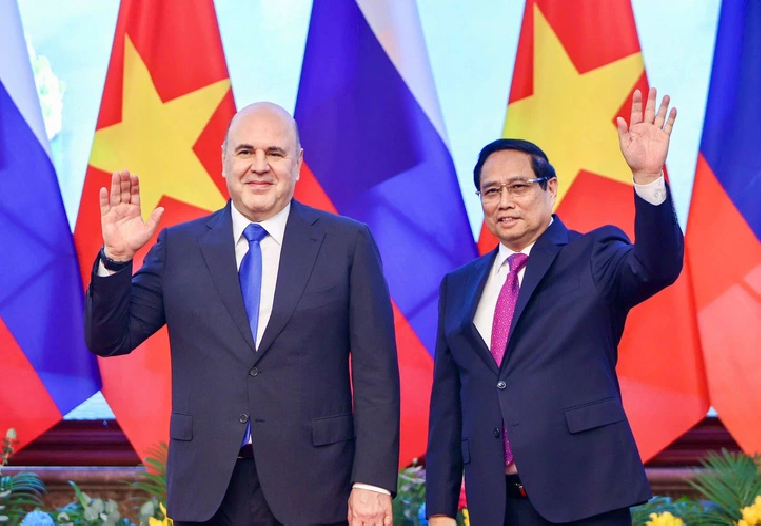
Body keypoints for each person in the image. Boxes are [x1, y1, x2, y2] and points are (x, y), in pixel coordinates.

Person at [84, 102, 400, 526]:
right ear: (224, 160)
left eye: (275, 153)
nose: (259, 166)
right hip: (207, 491)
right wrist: (117, 259)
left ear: (299, 163)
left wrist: (373, 482)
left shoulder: (347, 243)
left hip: (316, 489)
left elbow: (376, 372)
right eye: (246, 151)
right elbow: (109, 338)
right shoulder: (180, 247)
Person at [425, 88, 682, 526]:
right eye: (491, 191)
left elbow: (656, 266)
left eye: (518, 187)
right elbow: (449, 405)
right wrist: (442, 509)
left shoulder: (593, 255)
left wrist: (649, 177)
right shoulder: (459, 286)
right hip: (495, 508)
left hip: (585, 499)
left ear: (551, 190)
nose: (504, 201)